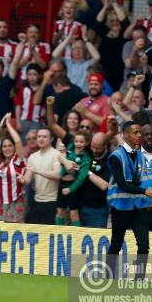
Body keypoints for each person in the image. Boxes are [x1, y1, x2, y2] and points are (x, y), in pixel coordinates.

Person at [106, 121, 152, 279]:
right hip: (121, 206)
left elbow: (138, 179)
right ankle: (108, 278)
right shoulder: (116, 156)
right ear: (125, 135)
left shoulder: (140, 156)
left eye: (139, 132)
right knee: (116, 244)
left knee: (144, 245)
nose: (139, 135)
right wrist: (146, 191)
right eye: (135, 133)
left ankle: (139, 280)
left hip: (138, 206)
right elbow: (122, 184)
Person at [46, 96, 92, 226]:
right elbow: (52, 124)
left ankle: (77, 241)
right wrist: (50, 106)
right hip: (62, 182)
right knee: (59, 212)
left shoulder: (87, 149)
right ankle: (57, 236)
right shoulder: (70, 140)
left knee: (73, 213)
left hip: (75, 185)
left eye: (76, 119)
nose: (78, 143)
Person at [0, 113, 27, 222]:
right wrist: (1, 125)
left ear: (14, 148)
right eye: (4, 146)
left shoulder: (18, 160)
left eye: (10, 146)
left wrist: (8, 124)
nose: (7, 148)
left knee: (13, 230)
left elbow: (18, 141)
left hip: (15, 201)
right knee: (0, 232)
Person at [24, 127, 61, 224]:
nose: (41, 139)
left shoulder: (56, 154)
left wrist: (37, 171)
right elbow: (27, 179)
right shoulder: (32, 157)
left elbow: (57, 175)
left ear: (51, 139)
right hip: (37, 201)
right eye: (39, 136)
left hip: (53, 202)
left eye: (44, 137)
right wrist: (21, 178)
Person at [52, 25, 101, 92]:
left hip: (83, 97)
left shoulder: (88, 64)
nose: (77, 50)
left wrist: (85, 39)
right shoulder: (67, 62)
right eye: (75, 48)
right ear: (71, 51)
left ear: (85, 50)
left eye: (80, 48)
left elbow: (97, 57)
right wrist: (68, 38)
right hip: (69, 95)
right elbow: (55, 55)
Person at [77, 132, 111, 228]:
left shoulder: (110, 160)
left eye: (98, 148)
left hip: (98, 209)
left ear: (105, 146)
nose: (94, 150)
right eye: (92, 146)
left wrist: (87, 172)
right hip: (80, 206)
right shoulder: (87, 152)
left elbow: (104, 185)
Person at [14, 63, 44, 135]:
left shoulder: (42, 90)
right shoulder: (22, 89)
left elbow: (44, 108)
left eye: (34, 74)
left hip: (37, 122)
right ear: (26, 75)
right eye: (29, 74)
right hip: (23, 121)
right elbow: (18, 106)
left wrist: (42, 122)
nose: (32, 77)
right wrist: (18, 122)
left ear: (39, 76)